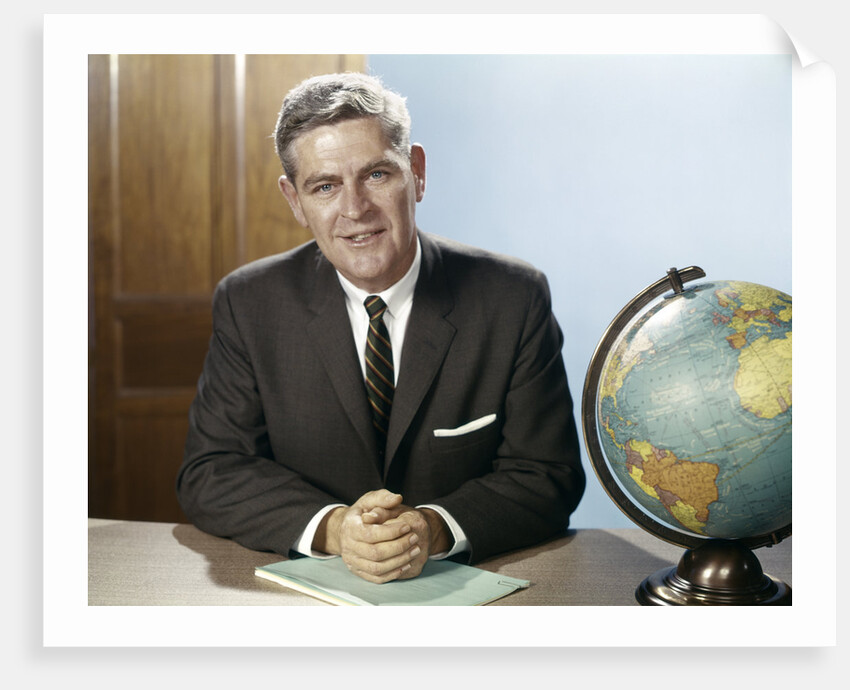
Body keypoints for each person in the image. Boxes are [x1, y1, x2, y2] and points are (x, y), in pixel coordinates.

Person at [177, 72, 585, 584]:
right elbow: (212, 469)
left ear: (416, 172)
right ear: (295, 201)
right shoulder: (249, 302)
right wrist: (336, 528)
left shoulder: (513, 297)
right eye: (324, 186)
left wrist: (430, 529)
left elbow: (548, 474)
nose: (354, 209)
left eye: (375, 175)